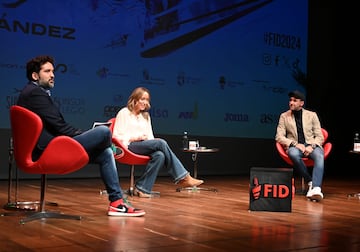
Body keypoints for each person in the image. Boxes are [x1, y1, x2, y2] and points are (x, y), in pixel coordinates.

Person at [16, 55, 145, 217]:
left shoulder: (33, 92)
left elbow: (55, 126)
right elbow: (59, 126)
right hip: (47, 150)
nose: (52, 75)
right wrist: (84, 135)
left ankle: (117, 202)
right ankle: (110, 147)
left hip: (52, 146)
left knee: (104, 154)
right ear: (35, 76)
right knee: (104, 131)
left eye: (53, 71)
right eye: (47, 71)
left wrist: (84, 137)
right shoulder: (35, 94)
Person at [112, 86, 204, 197]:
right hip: (127, 146)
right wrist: (135, 137)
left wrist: (149, 140)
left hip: (142, 145)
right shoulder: (124, 113)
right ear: (135, 99)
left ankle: (142, 188)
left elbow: (150, 137)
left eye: (147, 100)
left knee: (159, 155)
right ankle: (183, 176)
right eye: (142, 99)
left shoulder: (145, 116)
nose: (145, 102)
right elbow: (116, 136)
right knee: (161, 143)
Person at [275, 90, 325, 201]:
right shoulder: (284, 116)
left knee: (319, 155)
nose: (291, 103)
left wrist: (311, 146)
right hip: (295, 145)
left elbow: (320, 136)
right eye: (290, 100)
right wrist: (295, 144)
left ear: (301, 103)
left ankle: (316, 188)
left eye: (294, 100)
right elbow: (279, 136)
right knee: (292, 153)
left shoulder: (312, 115)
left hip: (311, 144)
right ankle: (310, 181)